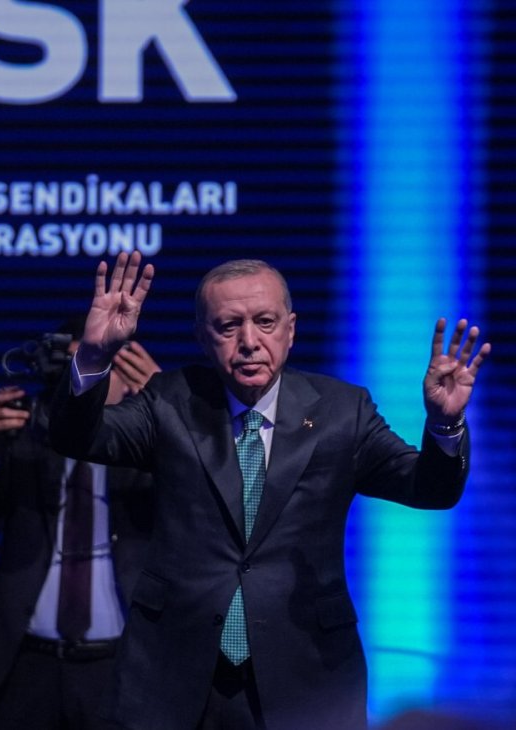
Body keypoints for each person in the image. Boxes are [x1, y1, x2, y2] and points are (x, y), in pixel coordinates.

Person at [48, 253, 491, 730]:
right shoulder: (170, 400)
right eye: (228, 326)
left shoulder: (344, 411)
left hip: (306, 671)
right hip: (174, 673)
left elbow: (429, 489)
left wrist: (445, 424)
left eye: (265, 322)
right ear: (202, 336)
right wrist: (94, 356)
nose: (249, 343)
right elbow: (78, 437)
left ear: (290, 329)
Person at [0, 319, 161, 729]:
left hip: (121, 665)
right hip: (29, 664)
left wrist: (168, 412)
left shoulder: (154, 445)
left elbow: (207, 503)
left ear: (131, 373)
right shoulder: (28, 435)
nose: (86, 381)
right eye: (80, 366)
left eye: (101, 365)